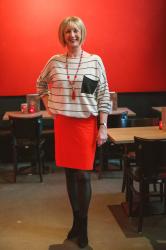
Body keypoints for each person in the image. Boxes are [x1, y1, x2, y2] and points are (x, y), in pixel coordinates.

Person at [36, 16, 111, 248]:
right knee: (69, 175)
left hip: (86, 125)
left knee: (83, 175)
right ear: (63, 36)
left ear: (82, 33)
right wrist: (49, 106)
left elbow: (103, 95)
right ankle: (76, 222)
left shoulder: (94, 61)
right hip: (64, 125)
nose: (73, 35)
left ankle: (84, 225)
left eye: (76, 31)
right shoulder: (55, 61)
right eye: (68, 31)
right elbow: (40, 84)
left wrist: (103, 125)